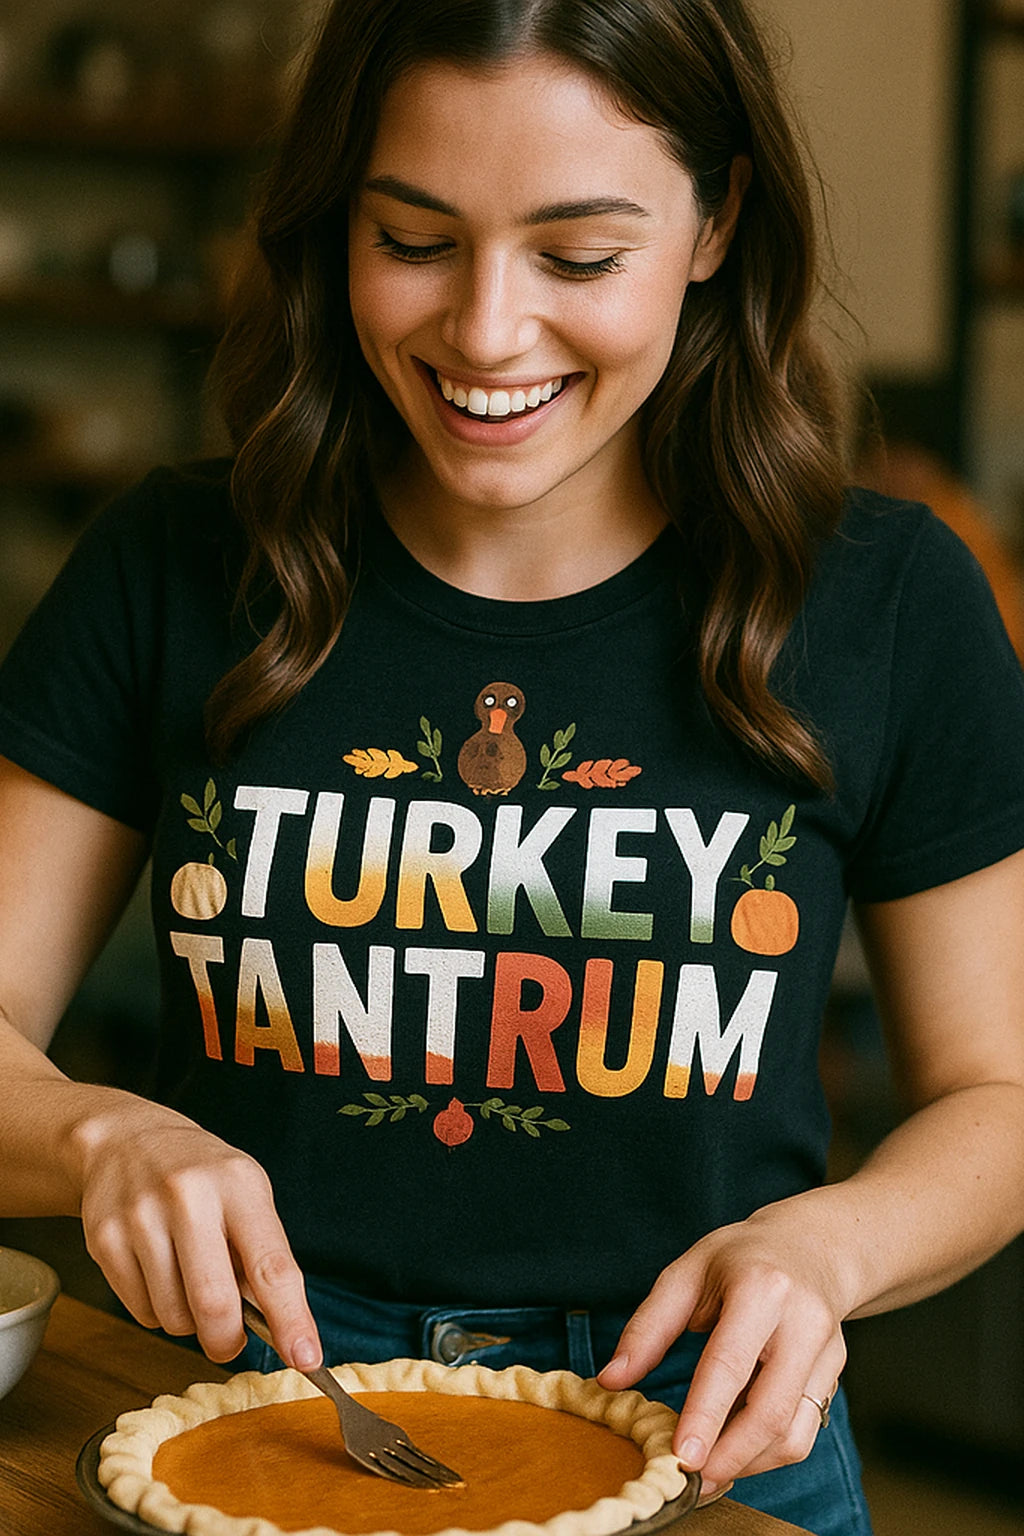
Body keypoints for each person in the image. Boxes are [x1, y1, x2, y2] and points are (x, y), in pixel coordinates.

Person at [1, 3, 1023, 1533]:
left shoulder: (884, 600)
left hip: (705, 1433)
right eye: (413, 239)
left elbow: (1000, 1096)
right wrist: (103, 1137)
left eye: (579, 256)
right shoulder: (169, 564)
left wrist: (832, 1249)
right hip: (248, 1419)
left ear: (716, 220)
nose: (484, 332)